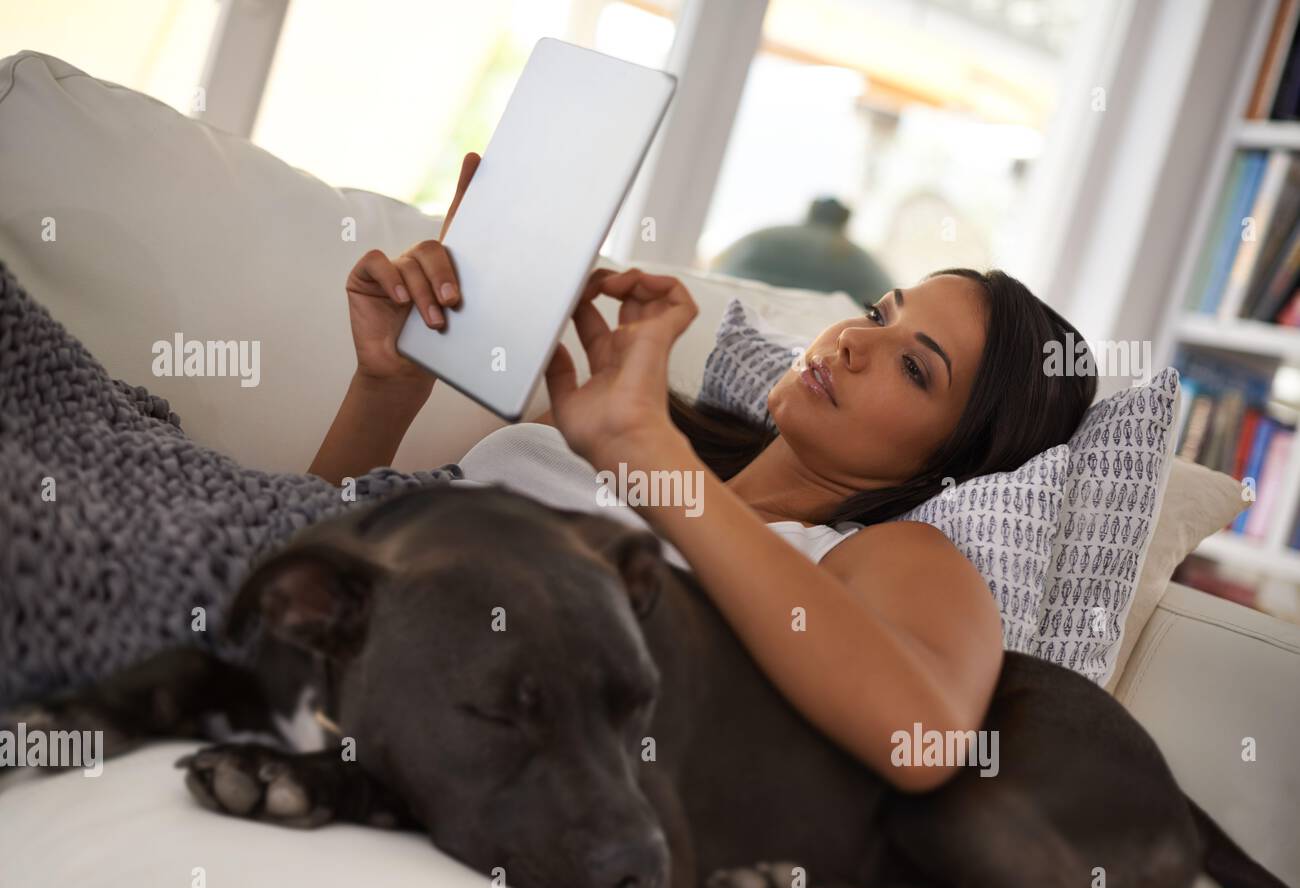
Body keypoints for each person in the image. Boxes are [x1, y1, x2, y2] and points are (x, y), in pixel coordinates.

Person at [309, 152, 1096, 795]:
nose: (856, 342)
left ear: (955, 459)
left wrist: (654, 468)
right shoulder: (589, 429)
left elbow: (921, 743)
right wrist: (388, 385)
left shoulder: (888, 557)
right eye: (881, 313)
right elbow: (315, 551)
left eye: (917, 370)